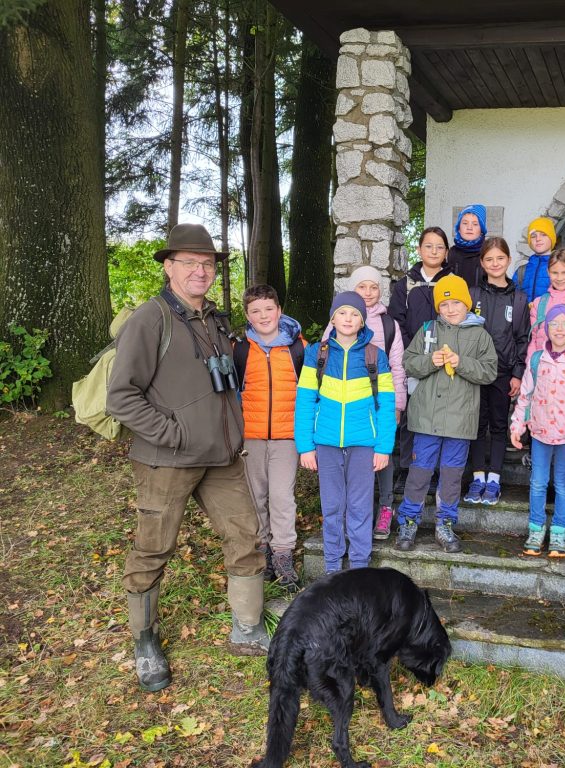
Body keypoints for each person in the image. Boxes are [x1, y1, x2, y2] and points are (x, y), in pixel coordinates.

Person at [107, 223, 271, 692]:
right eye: (189, 263)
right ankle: (144, 641)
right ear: (168, 266)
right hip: (167, 459)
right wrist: (172, 433)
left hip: (221, 456)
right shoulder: (150, 319)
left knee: (245, 535)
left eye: (207, 264)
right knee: (153, 548)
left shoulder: (216, 319)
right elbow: (122, 396)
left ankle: (247, 626)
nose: (200, 271)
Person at [294, 292, 396, 574]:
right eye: (342, 313)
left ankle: (360, 567)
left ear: (362, 320)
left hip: (364, 444)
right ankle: (332, 567)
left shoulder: (375, 355)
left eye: (354, 314)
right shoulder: (317, 353)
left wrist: (383, 448)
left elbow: (386, 405)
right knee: (332, 506)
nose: (348, 319)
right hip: (325, 444)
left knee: (360, 507)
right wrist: (305, 446)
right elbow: (304, 401)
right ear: (333, 318)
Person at [396, 275, 498, 553]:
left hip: (460, 421)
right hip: (427, 418)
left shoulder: (480, 336)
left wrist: (461, 362)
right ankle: (408, 520)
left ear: (467, 304)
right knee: (419, 472)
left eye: (456, 303)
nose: (451, 309)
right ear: (438, 307)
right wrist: (430, 361)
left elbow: (489, 371)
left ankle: (446, 523)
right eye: (445, 304)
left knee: (452, 475)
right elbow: (408, 363)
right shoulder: (428, 330)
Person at [510, 305, 565, 557]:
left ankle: (559, 531)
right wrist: (517, 425)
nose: (559, 329)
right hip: (540, 434)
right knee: (537, 483)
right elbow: (525, 395)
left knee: (561, 483)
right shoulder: (538, 359)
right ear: (546, 328)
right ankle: (536, 530)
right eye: (554, 324)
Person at [233, 284, 305, 591]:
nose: (263, 315)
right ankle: (262, 549)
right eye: (255, 311)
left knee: (281, 496)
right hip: (251, 435)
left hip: (287, 436)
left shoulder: (298, 347)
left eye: (268, 309)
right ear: (248, 316)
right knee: (255, 495)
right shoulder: (240, 349)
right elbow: (233, 392)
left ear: (279, 310)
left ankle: (283, 553)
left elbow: (309, 391)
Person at [465, 237, 530, 505]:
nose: (495, 263)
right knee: (477, 425)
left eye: (499, 258)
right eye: (489, 259)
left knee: (499, 425)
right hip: (475, 372)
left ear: (508, 261)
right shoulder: (473, 295)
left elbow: (523, 338)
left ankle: (494, 480)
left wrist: (517, 372)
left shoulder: (518, 298)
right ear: (482, 263)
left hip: (503, 373)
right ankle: (477, 476)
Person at [347, 266, 407, 541]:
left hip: (380, 401)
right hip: (349, 403)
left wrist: (397, 404)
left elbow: (397, 367)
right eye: (362, 287)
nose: (368, 293)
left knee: (383, 455)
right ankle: (360, 512)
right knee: (354, 457)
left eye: (374, 287)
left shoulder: (388, 324)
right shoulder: (340, 318)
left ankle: (385, 507)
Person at [388, 227, 453, 473]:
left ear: (446, 252)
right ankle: (407, 469)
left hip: (442, 359)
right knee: (411, 416)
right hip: (412, 360)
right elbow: (397, 322)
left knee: (438, 415)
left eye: (439, 247)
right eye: (428, 246)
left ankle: (434, 471)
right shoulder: (406, 284)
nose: (434, 251)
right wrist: (412, 355)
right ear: (419, 249)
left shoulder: (453, 282)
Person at [513, 216, 557, 302]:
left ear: (552, 238)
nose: (538, 239)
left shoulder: (561, 267)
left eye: (543, 234)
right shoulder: (521, 271)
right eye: (533, 236)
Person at [447, 204, 488, 287]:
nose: (469, 227)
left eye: (475, 224)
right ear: (459, 228)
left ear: (481, 229)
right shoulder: (451, 253)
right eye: (465, 223)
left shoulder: (488, 252)